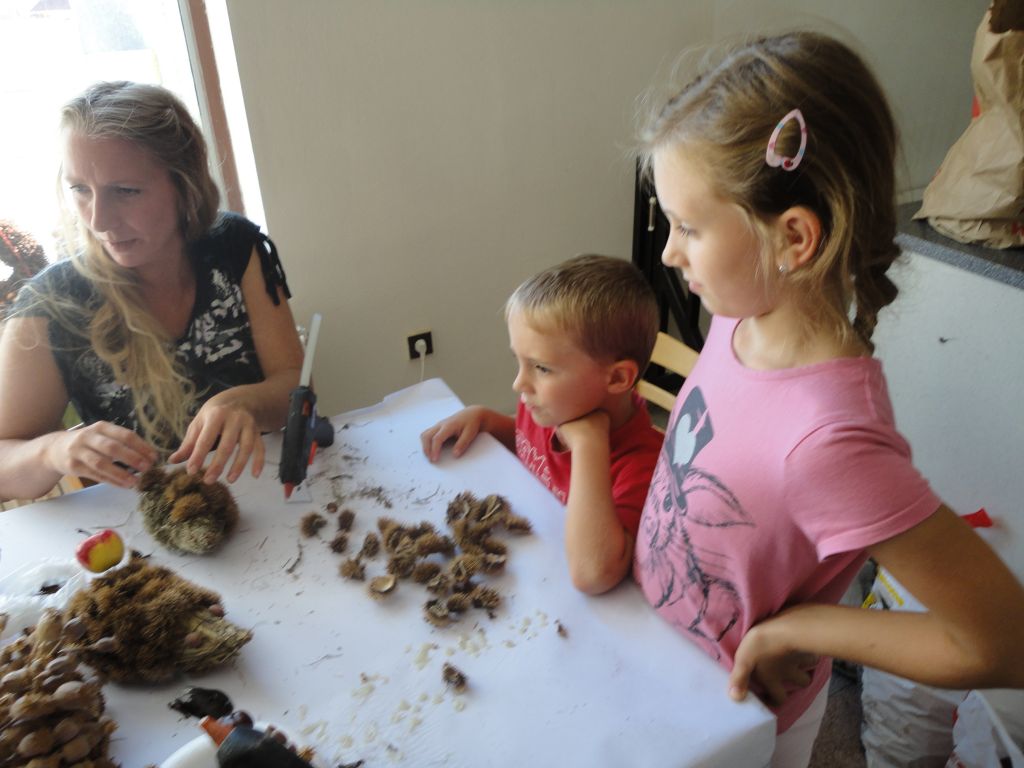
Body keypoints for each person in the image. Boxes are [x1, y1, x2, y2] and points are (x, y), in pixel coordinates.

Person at [631, 30, 1024, 767]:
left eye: (687, 227)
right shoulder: (738, 317)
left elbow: (1001, 643)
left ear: (794, 239)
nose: (669, 252)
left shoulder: (829, 441)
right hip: (659, 659)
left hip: (738, 725)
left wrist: (799, 629)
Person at [0, 81, 304, 500]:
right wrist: (54, 450)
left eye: (125, 191)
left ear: (184, 186)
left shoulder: (234, 247)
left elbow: (295, 384)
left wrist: (246, 403)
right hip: (142, 522)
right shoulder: (50, 304)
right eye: (80, 190)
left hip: (261, 497)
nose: (99, 220)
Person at [421, 254, 663, 594]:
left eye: (542, 368)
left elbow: (593, 574)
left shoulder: (645, 467)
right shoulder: (554, 408)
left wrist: (589, 444)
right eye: (519, 362)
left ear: (617, 378)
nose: (519, 384)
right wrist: (487, 420)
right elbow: (530, 447)